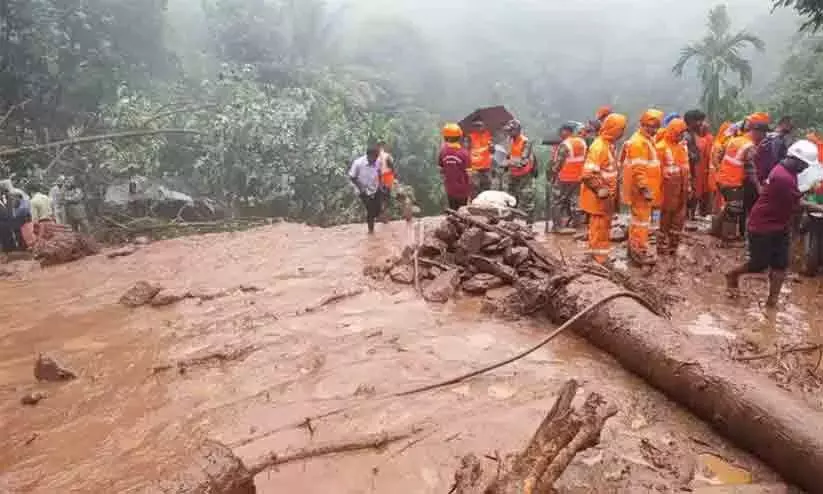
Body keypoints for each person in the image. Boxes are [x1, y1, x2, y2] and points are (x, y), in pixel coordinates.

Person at [726, 140, 823, 307]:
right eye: (804, 165)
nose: (805, 168)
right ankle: (732, 275)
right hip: (762, 225)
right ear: (795, 160)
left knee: (780, 265)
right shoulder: (782, 177)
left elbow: (795, 196)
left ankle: (772, 302)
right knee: (759, 264)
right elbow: (797, 205)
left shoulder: (785, 169)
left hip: (779, 223)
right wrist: (820, 207)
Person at [580, 113, 627, 264]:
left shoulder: (608, 145)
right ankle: (599, 259)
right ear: (613, 129)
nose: (622, 133)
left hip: (606, 197)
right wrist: (600, 189)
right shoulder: (599, 147)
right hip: (599, 197)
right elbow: (587, 174)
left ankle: (596, 255)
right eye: (621, 129)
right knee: (599, 228)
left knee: (600, 227)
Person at [715, 113, 770, 241]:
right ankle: (728, 238)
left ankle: (715, 229)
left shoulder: (735, 140)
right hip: (733, 181)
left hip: (722, 179)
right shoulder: (749, 147)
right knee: (734, 210)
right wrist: (758, 187)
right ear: (757, 132)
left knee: (729, 207)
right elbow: (751, 170)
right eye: (764, 134)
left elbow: (720, 156)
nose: (764, 137)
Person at [623, 109, 663, 265]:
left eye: (655, 127)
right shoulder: (639, 142)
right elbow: (638, 169)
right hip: (641, 190)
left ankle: (634, 250)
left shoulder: (647, 140)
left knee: (639, 221)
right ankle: (639, 252)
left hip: (646, 189)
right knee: (641, 222)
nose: (653, 130)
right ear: (642, 124)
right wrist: (644, 188)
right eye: (650, 126)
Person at [656, 118, 690, 255]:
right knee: (665, 217)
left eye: (682, 134)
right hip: (667, 188)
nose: (681, 136)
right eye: (678, 133)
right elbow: (656, 171)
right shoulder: (660, 147)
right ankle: (662, 246)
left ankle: (673, 245)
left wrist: (688, 186)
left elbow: (686, 167)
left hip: (681, 186)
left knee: (679, 217)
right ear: (671, 131)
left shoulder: (681, 147)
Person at [548, 122, 587, 233]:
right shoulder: (582, 142)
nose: (560, 133)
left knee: (557, 202)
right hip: (578, 177)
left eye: (562, 131)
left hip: (564, 178)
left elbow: (558, 164)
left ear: (568, 131)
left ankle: (557, 227)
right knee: (575, 201)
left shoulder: (566, 144)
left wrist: (553, 175)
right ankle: (577, 225)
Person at [501, 119, 537, 226]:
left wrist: (508, 162)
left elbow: (523, 161)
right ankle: (509, 223)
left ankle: (529, 225)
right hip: (513, 174)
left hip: (525, 175)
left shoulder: (526, 142)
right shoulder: (510, 140)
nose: (509, 133)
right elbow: (508, 155)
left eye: (511, 130)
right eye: (508, 131)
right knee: (511, 199)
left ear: (517, 130)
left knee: (527, 199)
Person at [349, 144, 383, 234]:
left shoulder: (378, 162)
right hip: (363, 190)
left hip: (375, 188)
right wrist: (361, 188)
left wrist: (380, 185)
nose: (376, 159)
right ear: (369, 155)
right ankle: (371, 231)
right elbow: (352, 177)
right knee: (370, 210)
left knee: (378, 210)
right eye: (374, 157)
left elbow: (379, 173)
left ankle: (372, 220)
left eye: (377, 156)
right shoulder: (358, 163)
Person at [438, 123, 471, 210]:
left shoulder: (442, 152)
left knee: (453, 210)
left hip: (450, 189)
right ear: (459, 137)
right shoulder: (464, 153)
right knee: (462, 213)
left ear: (446, 137)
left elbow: (441, 170)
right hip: (462, 191)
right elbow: (469, 174)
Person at [755, 116, 795, 185]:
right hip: (765, 176)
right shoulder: (777, 139)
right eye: (790, 126)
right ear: (783, 124)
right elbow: (774, 160)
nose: (791, 129)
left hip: (759, 174)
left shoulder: (768, 136)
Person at [466, 119, 494, 197]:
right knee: (474, 191)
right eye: (475, 125)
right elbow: (466, 151)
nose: (477, 127)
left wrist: (492, 147)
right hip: (474, 168)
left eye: (479, 125)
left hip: (486, 167)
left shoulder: (488, 135)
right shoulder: (470, 137)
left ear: (484, 126)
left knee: (486, 190)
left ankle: (486, 207)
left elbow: (492, 151)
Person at [377, 140, 395, 222]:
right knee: (387, 197)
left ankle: (382, 215)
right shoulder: (387, 156)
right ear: (384, 146)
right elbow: (391, 166)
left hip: (378, 178)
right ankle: (385, 216)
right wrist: (395, 175)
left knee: (381, 197)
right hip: (387, 176)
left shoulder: (375, 157)